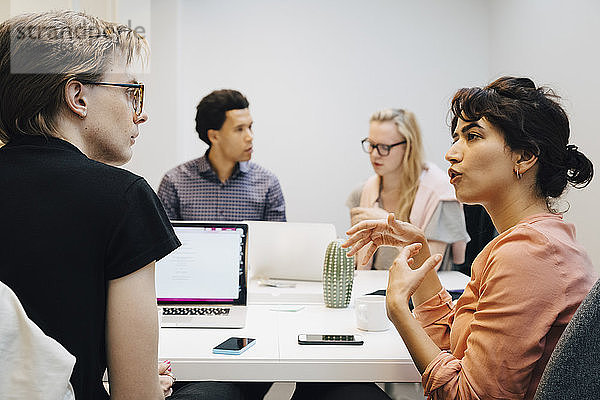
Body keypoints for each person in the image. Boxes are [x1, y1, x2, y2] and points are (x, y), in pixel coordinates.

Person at [343, 76, 597, 399]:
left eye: (472, 136)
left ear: (524, 156)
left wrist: (398, 309)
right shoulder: (526, 244)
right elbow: (455, 348)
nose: (451, 153)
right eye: (455, 138)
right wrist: (418, 249)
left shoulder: (528, 255)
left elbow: (467, 394)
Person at [0, 11, 180, 400]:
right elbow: (135, 395)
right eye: (131, 91)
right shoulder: (123, 197)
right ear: (78, 96)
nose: (140, 112)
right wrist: (147, 382)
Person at [346, 108, 469, 271]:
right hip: (372, 291)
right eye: (371, 145)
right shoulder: (362, 192)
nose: (375, 154)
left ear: (408, 146)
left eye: (384, 147)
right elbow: (356, 262)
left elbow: (429, 266)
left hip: (419, 294)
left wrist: (388, 223)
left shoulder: (441, 194)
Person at [157, 89, 286, 222]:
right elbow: (162, 241)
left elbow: (274, 240)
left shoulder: (267, 183)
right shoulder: (174, 182)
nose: (250, 137)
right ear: (214, 136)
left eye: (250, 127)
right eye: (239, 129)